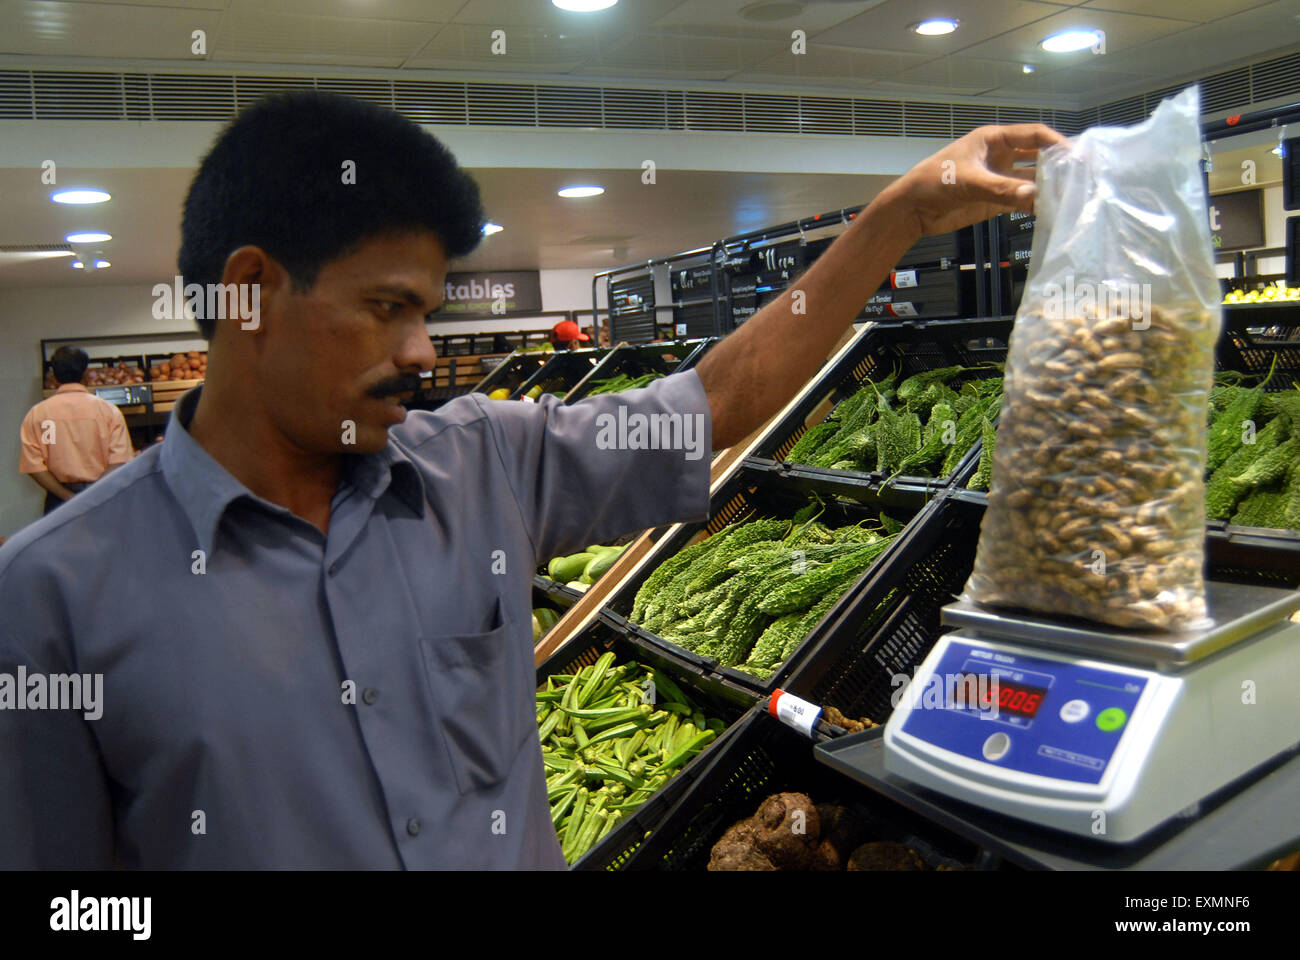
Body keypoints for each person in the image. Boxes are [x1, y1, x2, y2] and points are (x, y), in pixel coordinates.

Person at [0, 90, 1062, 869]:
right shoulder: (54, 597)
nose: (423, 353)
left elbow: (719, 404)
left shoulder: (481, 464)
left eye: (430, 312)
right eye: (387, 308)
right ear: (250, 297)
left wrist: (894, 222)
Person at [18, 346, 133, 515]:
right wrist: (92, 494)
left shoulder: (38, 414)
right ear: (86, 373)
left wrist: (66, 496)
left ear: (54, 376)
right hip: (103, 497)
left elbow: (34, 466)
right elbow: (119, 460)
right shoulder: (109, 411)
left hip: (58, 500)